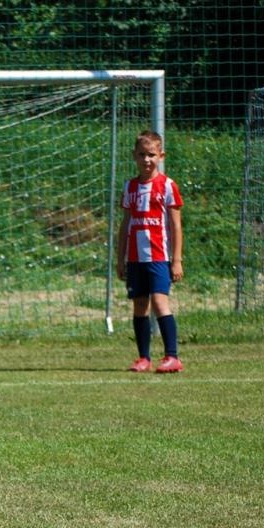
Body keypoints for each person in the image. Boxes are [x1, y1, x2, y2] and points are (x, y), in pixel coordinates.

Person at [117, 130, 185, 373]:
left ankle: (172, 356)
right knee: (139, 305)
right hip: (136, 257)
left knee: (159, 301)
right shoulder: (130, 186)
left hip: (159, 256)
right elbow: (125, 223)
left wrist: (176, 260)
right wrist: (121, 258)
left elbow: (176, 225)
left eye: (152, 155)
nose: (146, 160)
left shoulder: (167, 186)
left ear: (161, 156)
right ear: (134, 156)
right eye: (142, 155)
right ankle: (143, 358)